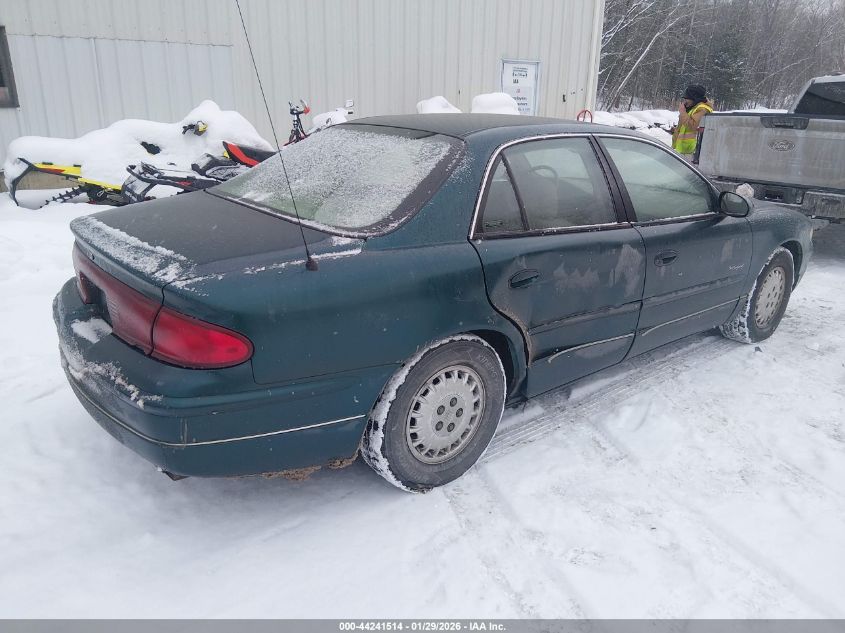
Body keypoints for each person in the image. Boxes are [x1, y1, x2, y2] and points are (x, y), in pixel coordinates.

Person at [671, 84, 713, 161]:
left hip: (690, 152)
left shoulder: (702, 109)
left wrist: (683, 112)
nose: (685, 101)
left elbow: (692, 126)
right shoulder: (691, 108)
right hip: (682, 150)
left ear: (695, 98)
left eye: (687, 99)